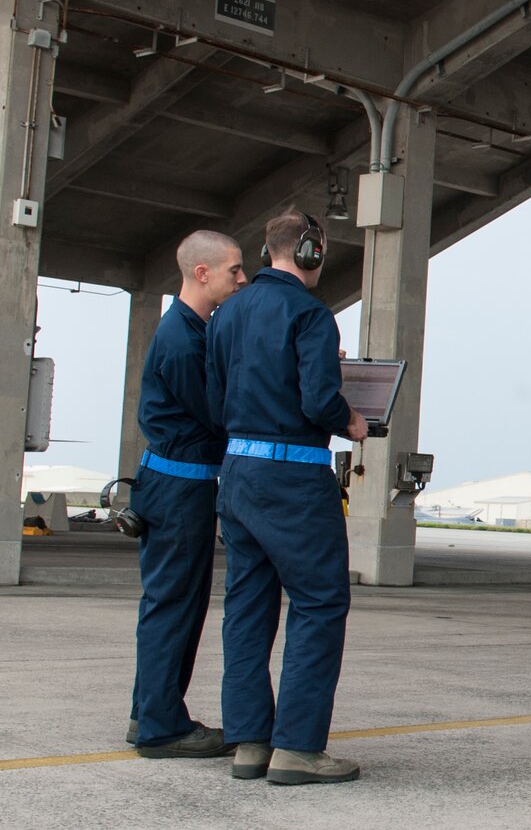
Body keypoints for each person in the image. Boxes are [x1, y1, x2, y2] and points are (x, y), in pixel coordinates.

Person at [207, 208, 368, 785]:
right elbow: (319, 403)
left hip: (239, 475)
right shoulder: (310, 314)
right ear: (311, 251)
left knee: (247, 609)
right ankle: (298, 748)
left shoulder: (228, 313)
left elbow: (216, 394)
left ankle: (250, 743)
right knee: (319, 604)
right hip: (293, 479)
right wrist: (349, 417)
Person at [127, 230, 247, 759]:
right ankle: (160, 728)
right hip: (178, 487)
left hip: (176, 484)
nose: (242, 280)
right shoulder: (182, 340)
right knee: (174, 605)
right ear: (203, 273)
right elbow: (219, 415)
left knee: (174, 603)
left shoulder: (191, 331)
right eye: (234, 271)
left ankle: (149, 713)